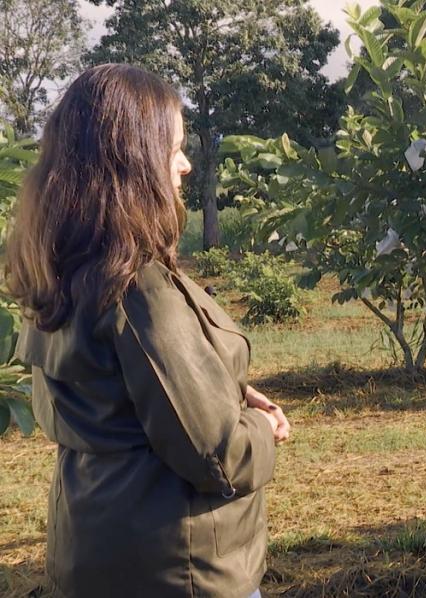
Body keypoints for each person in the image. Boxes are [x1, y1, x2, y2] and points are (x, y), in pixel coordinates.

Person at [4, 63, 290, 597]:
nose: (184, 166)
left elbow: (108, 399)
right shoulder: (137, 289)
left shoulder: (55, 271)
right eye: (173, 148)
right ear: (132, 163)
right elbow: (218, 457)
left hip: (92, 551)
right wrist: (261, 427)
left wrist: (225, 388)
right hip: (177, 571)